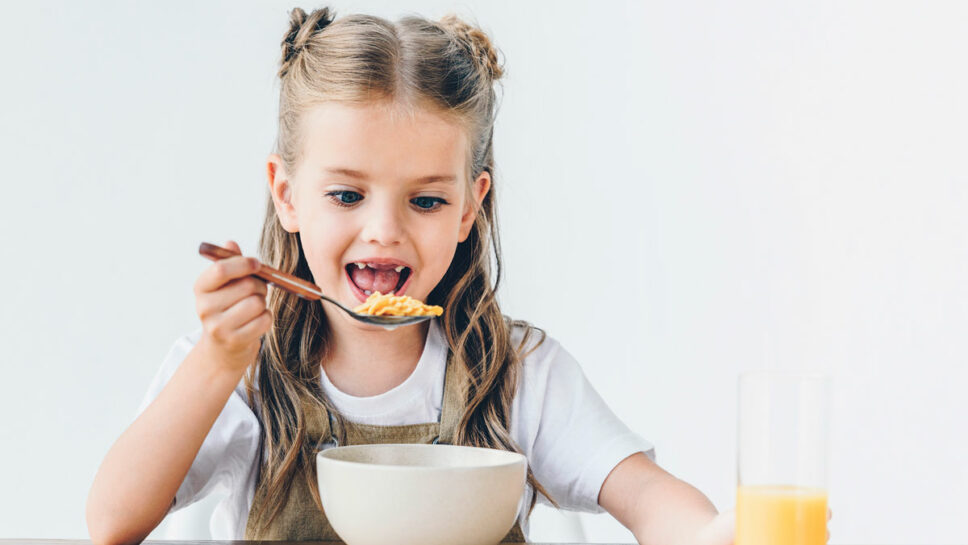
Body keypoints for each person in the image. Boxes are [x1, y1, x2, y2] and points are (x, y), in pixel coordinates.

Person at [85, 7, 796, 545]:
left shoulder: (518, 373)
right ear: (287, 194)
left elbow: (647, 496)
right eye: (346, 194)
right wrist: (216, 363)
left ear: (469, 208)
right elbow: (112, 520)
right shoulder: (241, 374)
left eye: (426, 200)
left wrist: (717, 534)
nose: (385, 229)